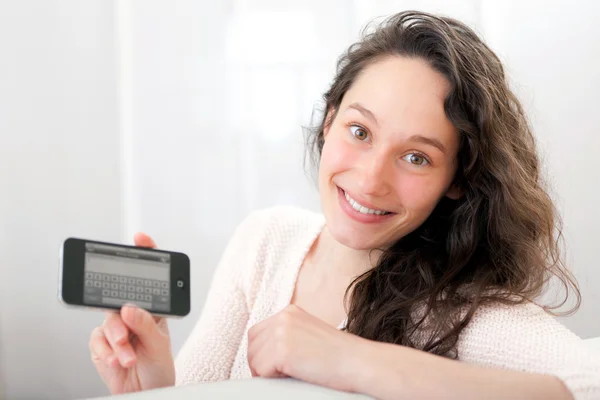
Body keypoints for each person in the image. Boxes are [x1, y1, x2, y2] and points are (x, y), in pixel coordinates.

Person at [88, 10, 600, 399]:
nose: (371, 178)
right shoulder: (264, 241)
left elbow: (588, 383)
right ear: (329, 120)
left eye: (417, 157)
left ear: (457, 181)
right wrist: (150, 385)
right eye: (360, 131)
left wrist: (348, 359)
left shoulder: (456, 307)